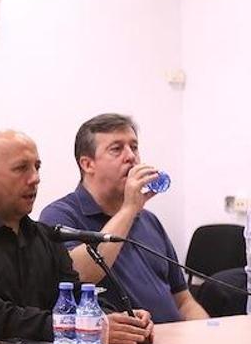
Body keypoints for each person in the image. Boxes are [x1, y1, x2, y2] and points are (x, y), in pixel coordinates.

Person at [0, 130, 153, 344]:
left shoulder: (45, 236)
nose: (35, 178)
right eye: (21, 168)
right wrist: (82, 327)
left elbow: (77, 293)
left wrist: (116, 318)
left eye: (37, 167)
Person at [40, 113, 207, 326]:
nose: (131, 157)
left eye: (134, 147)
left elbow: (183, 300)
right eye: (117, 149)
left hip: (171, 342)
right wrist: (129, 209)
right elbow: (80, 274)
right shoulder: (61, 215)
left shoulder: (149, 220)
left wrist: (206, 332)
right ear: (87, 164)